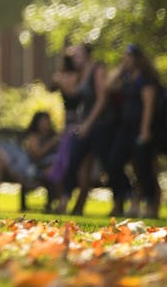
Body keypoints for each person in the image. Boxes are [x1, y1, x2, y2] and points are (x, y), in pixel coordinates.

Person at [104, 43, 163, 218]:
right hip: (125, 129)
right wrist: (120, 69)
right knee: (113, 163)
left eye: (128, 58)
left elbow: (148, 107)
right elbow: (108, 87)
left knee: (143, 168)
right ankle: (125, 195)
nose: (126, 61)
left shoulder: (146, 80)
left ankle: (151, 203)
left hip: (141, 129)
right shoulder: (127, 78)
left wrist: (144, 131)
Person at [52, 43, 110, 215]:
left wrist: (88, 123)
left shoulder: (97, 70)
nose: (74, 59)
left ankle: (122, 199)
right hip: (83, 126)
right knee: (74, 162)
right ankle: (66, 201)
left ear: (87, 55)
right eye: (73, 56)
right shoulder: (81, 74)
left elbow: (102, 99)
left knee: (109, 164)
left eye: (77, 55)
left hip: (99, 126)